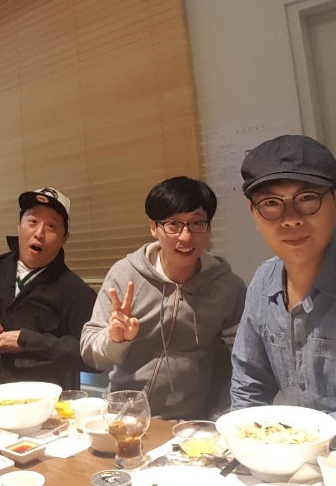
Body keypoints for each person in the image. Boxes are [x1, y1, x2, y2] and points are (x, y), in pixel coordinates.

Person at [231, 135, 336, 452]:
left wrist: (286, 448)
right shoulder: (263, 282)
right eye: (271, 204)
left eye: (306, 198)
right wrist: (248, 450)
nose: (290, 219)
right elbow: (248, 389)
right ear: (253, 213)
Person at [80, 176, 246, 420]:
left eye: (197, 223)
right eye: (173, 224)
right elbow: (90, 355)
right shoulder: (125, 275)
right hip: (123, 415)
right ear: (153, 227)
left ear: (208, 227)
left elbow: (243, 364)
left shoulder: (228, 287)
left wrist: (220, 419)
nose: (186, 237)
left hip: (190, 421)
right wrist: (114, 340)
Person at [0, 188, 96, 390]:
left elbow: (93, 356)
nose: (39, 233)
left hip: (39, 399)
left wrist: (29, 342)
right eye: (33, 221)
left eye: (51, 226)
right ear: (19, 226)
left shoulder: (75, 290)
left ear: (64, 238)